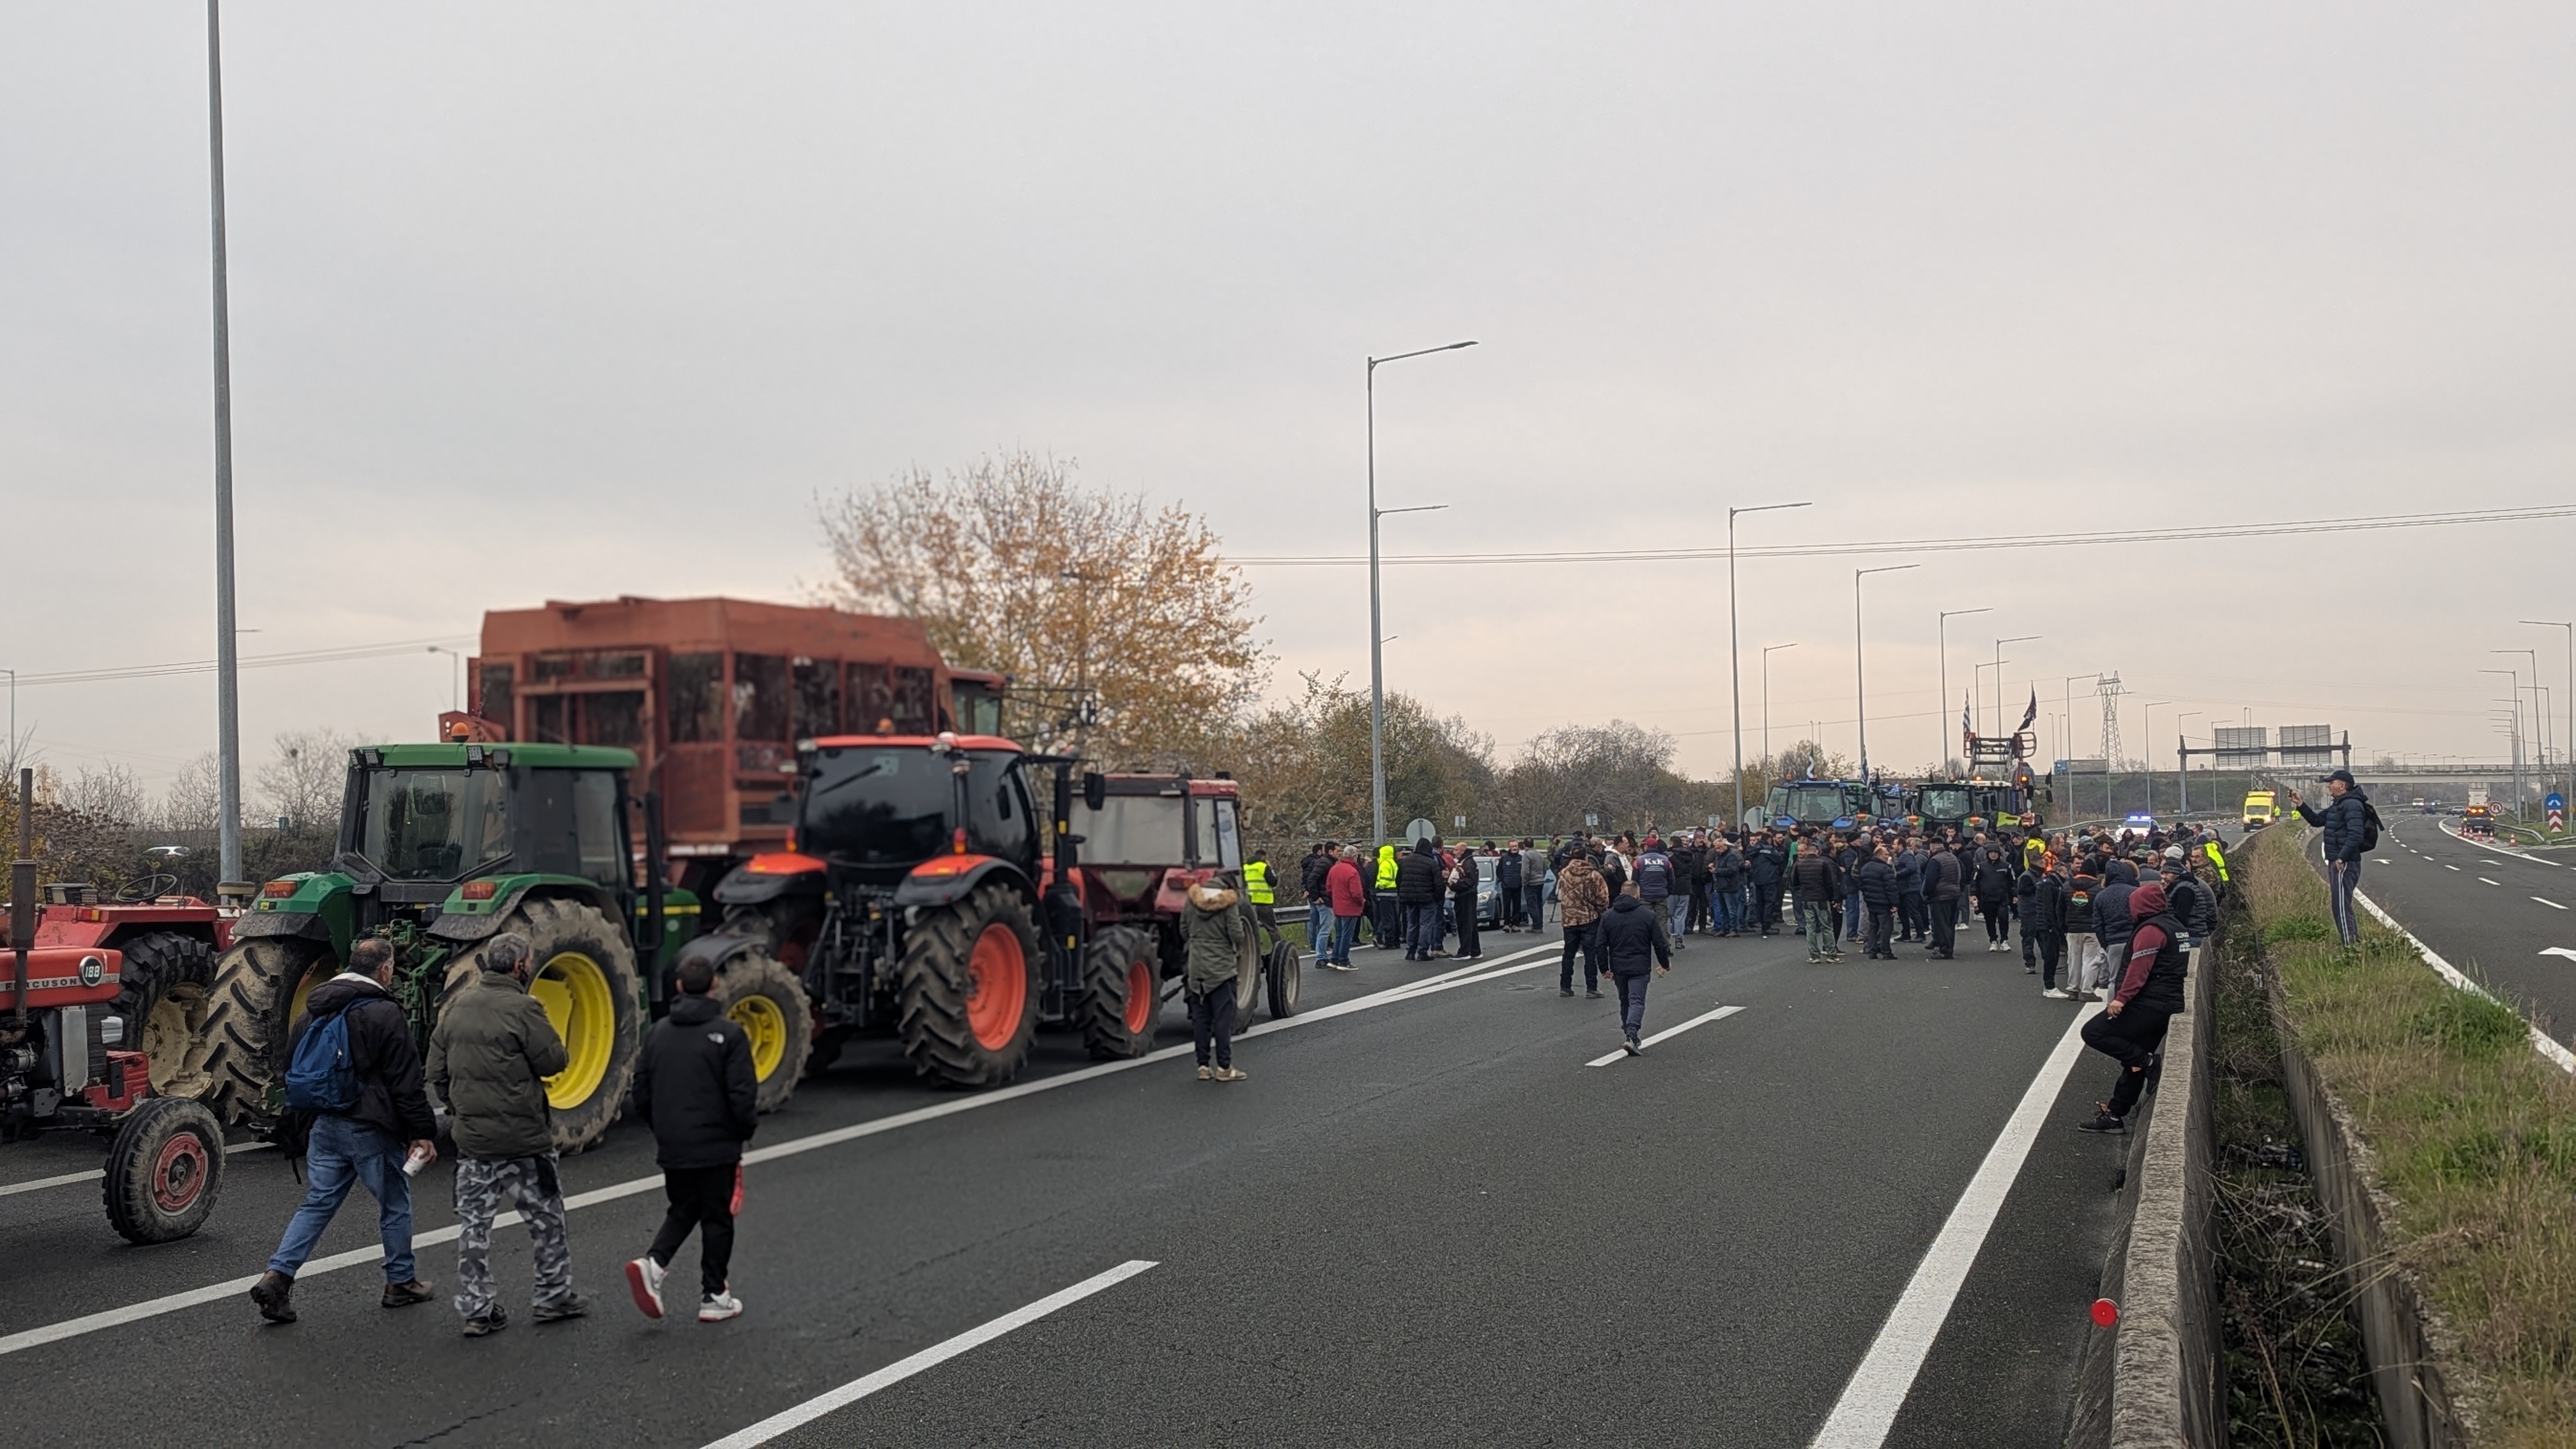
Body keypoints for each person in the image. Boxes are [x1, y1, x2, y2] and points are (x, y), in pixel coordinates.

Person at [249, 937, 438, 1325]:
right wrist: (422, 1132)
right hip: (370, 1128)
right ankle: (400, 1282)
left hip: (324, 1125)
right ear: (384, 970)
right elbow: (406, 1081)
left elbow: (290, 1065)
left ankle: (278, 1275)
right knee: (394, 1204)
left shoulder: (314, 1007)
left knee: (318, 1203)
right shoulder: (384, 1012)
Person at [427, 932, 584, 1337]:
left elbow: (437, 1073)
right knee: (547, 1220)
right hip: (524, 1141)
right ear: (519, 966)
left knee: (474, 1228)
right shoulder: (524, 1008)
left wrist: (459, 1109)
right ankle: (553, 1296)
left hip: (473, 1144)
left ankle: (477, 1309)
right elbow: (553, 1062)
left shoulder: (456, 1007)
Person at [624, 953, 757, 1324]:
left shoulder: (658, 1033)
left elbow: (641, 1088)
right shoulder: (729, 1034)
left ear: (679, 986)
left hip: (673, 1143)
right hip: (717, 1144)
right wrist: (743, 1133)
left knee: (684, 1207)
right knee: (717, 1217)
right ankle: (714, 1294)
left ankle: (654, 1264)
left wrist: (661, 1127)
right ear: (715, 984)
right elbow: (742, 1094)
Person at [2077, 881, 2188, 1133]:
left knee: (2093, 1032)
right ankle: (2115, 1115)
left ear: (2140, 906)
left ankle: (2148, 1062)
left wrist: (2121, 999)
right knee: (2132, 1060)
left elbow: (2140, 969)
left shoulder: (2151, 930)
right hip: (2168, 1003)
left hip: (2149, 1003)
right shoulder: (2176, 927)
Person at [1183, 871, 1251, 1082]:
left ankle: (1203, 1067)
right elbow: (1237, 935)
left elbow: (1183, 930)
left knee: (1201, 1019)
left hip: (1196, 969)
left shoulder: (1192, 899)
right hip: (1221, 970)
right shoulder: (1228, 903)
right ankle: (1224, 1067)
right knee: (1223, 1020)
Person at [2290, 770, 2372, 946]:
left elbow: (2356, 835)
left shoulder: (2352, 805)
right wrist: (2301, 804)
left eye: (2332, 783)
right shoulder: (2339, 805)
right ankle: (2352, 941)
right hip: (2337, 860)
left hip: (2344, 862)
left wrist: (2341, 859)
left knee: (2340, 905)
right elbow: (2317, 821)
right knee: (2340, 903)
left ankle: (2350, 946)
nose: (2329, 786)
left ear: (2342, 786)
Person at [1596, 883, 1673, 1054]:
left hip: (1618, 966)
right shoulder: (1647, 915)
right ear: (1637, 895)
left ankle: (1628, 1033)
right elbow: (1659, 943)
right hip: (1640, 965)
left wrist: (1603, 968)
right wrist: (1664, 963)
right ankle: (1632, 1034)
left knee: (1625, 1001)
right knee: (1637, 1000)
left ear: (1621, 893)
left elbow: (1600, 945)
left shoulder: (1608, 916)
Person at [1556, 849, 1611, 998]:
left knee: (1569, 954)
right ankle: (1591, 988)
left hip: (1569, 918)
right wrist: (1600, 910)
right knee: (1590, 954)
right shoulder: (1593, 875)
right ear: (1586, 857)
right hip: (1589, 918)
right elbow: (1603, 898)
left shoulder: (1563, 874)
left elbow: (1560, 894)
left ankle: (1565, 986)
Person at [1790, 832, 1845, 964]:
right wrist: (1834, 899)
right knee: (1827, 927)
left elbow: (1794, 882)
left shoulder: (1799, 864)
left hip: (1806, 898)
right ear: (1817, 852)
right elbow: (1829, 883)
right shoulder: (1822, 864)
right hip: (1821, 898)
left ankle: (1814, 955)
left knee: (1810, 927)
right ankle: (1831, 954)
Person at [1395, 836, 1445, 962]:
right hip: (1427, 899)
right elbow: (1438, 884)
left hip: (1409, 898)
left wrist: (1403, 894)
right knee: (1426, 925)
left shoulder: (1405, 862)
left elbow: (1398, 880)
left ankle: (1410, 951)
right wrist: (1438, 898)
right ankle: (1422, 952)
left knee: (1412, 924)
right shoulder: (1431, 863)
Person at [1634, 838, 1683, 950]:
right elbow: (1671, 879)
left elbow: (1635, 879)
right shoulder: (1665, 860)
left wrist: (1637, 894)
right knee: (1662, 922)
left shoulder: (1639, 861)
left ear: (1646, 846)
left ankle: (1644, 946)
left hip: (1645, 895)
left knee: (1644, 921)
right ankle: (1665, 946)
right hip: (1661, 894)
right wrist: (1668, 892)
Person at [1322, 845, 1365, 971]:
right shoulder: (1353, 871)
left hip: (1338, 906)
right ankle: (1344, 961)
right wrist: (1361, 902)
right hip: (1350, 908)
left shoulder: (1334, 869)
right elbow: (1357, 893)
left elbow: (1329, 888)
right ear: (1354, 856)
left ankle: (1334, 959)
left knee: (1339, 935)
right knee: (1347, 936)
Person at [1855, 845, 1899, 960]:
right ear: (1879, 855)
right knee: (1886, 928)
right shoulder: (1886, 869)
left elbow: (1861, 884)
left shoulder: (1865, 867)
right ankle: (1886, 952)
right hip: (1884, 902)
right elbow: (1891, 888)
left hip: (1871, 901)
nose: (1888, 857)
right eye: (1886, 855)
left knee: (1873, 927)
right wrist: (1895, 904)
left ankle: (1872, 950)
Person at [1922, 839, 1962, 960]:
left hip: (1940, 895)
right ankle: (1949, 947)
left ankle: (1945, 950)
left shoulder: (1935, 860)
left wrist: (1926, 894)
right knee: (1950, 923)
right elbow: (1959, 875)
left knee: (1941, 924)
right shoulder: (1953, 858)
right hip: (1954, 893)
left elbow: (1930, 880)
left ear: (1932, 848)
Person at [1972, 845, 2015, 953]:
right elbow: (1975, 882)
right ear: (1987, 854)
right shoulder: (1980, 867)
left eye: (1995, 852)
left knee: (2003, 919)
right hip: (1987, 898)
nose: (1993, 854)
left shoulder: (2007, 866)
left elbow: (2013, 882)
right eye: (1991, 852)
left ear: (1999, 854)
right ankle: (1993, 940)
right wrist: (1973, 894)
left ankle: (2004, 940)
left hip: (2002, 898)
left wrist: (2015, 895)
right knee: (1990, 920)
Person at [1298, 841, 1337, 956]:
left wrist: (1306, 890)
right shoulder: (1321, 863)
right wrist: (1315, 896)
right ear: (1320, 851)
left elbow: (1306, 879)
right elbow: (1312, 879)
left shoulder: (1309, 863)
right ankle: (1321, 950)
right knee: (1323, 925)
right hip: (1319, 896)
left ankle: (1315, 945)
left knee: (1315, 921)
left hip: (1314, 894)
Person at [1448, 844, 1484, 962]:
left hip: (1465, 896)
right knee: (1471, 924)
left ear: (1462, 851)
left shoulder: (1467, 863)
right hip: (1469, 896)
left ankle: (1465, 952)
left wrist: (1454, 885)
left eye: (1456, 850)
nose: (1454, 852)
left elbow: (1469, 881)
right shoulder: (1468, 861)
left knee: (1465, 924)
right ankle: (1475, 951)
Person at [1747, 833, 1786, 938]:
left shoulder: (1754, 849)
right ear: (1769, 840)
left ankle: (1763, 925)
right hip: (1769, 879)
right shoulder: (1769, 849)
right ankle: (1767, 926)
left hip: (1757, 879)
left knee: (1761, 903)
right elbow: (1779, 859)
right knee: (1770, 902)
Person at [1706, 836, 1744, 937]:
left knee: (1731, 910)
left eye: (1719, 847)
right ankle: (1725, 928)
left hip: (1729, 886)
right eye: (1716, 848)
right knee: (1722, 910)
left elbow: (1732, 870)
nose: (1717, 850)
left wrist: (1717, 871)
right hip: (1720, 886)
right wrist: (1713, 865)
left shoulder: (1731, 856)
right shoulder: (1719, 856)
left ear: (1725, 845)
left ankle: (1734, 929)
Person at [1892, 838, 1926, 943]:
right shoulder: (1900, 856)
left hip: (1910, 888)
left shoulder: (1906, 855)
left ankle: (1921, 934)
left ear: (1900, 845)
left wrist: (1897, 874)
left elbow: (1911, 868)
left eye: (1895, 844)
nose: (1893, 846)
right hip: (1903, 888)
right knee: (1902, 912)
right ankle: (1906, 933)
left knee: (1913, 911)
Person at [1372, 842, 1402, 950]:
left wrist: (1379, 886)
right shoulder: (1393, 863)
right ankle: (1396, 940)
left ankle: (1390, 942)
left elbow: (1384, 879)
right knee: (1394, 918)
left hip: (1384, 892)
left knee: (1387, 919)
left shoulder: (1384, 863)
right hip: (1393, 892)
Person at [1241, 849, 1278, 936]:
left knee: (1251, 930)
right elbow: (1273, 882)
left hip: (1249, 903)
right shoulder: (1263, 866)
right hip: (1264, 902)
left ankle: (1254, 945)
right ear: (1263, 857)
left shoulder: (1245, 867)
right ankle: (1278, 944)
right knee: (1272, 929)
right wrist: (1270, 869)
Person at [1519, 839, 1551, 934]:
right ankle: (1540, 924)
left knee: (1532, 904)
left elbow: (1525, 871)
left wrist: (1524, 882)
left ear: (1524, 845)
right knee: (1539, 904)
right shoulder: (1540, 854)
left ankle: (1536, 925)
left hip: (1531, 882)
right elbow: (1544, 868)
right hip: (1540, 881)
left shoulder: (1527, 855)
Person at [1494, 843, 1524, 931]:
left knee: (1517, 906)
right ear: (1509, 847)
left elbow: (1524, 871)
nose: (1514, 848)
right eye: (1512, 846)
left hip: (1517, 886)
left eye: (1516, 846)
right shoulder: (1504, 858)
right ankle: (1507, 923)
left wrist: (1521, 881)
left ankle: (1515, 924)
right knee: (1506, 905)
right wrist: (1504, 880)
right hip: (1506, 887)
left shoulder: (1521, 858)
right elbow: (1499, 872)